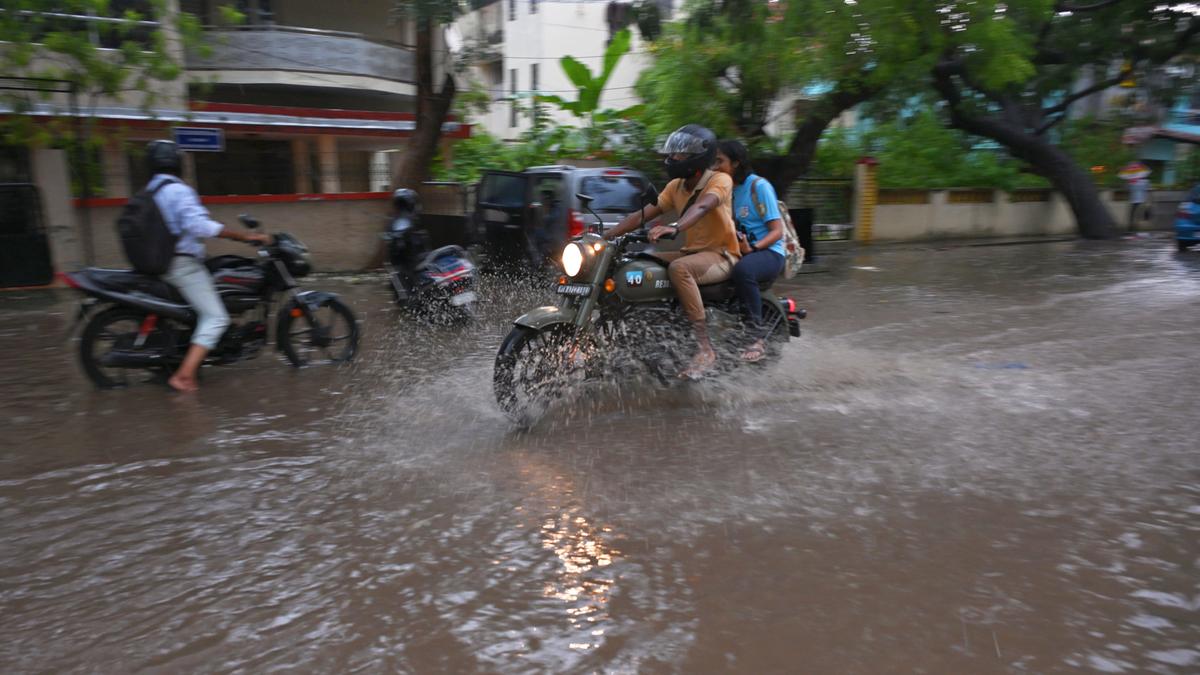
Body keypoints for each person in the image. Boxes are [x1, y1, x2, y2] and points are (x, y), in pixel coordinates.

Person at [605, 124, 741, 377]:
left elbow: (702, 207)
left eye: (681, 154)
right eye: (673, 153)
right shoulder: (676, 186)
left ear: (699, 156)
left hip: (720, 255)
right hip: (692, 252)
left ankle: (704, 348)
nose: (673, 158)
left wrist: (675, 227)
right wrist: (605, 236)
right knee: (635, 264)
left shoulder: (720, 180)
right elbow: (642, 215)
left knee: (679, 269)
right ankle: (651, 328)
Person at [144, 140, 270, 392]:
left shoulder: (151, 190)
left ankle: (197, 352)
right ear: (177, 163)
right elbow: (199, 226)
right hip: (181, 265)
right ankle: (184, 376)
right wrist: (241, 236)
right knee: (216, 316)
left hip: (161, 262)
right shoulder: (177, 190)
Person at [713, 139, 786, 363]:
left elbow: (777, 231)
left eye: (720, 161)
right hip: (743, 251)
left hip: (770, 253)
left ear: (736, 163)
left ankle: (757, 337)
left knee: (743, 271)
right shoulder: (727, 191)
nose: (715, 167)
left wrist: (753, 248)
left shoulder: (759, 187)